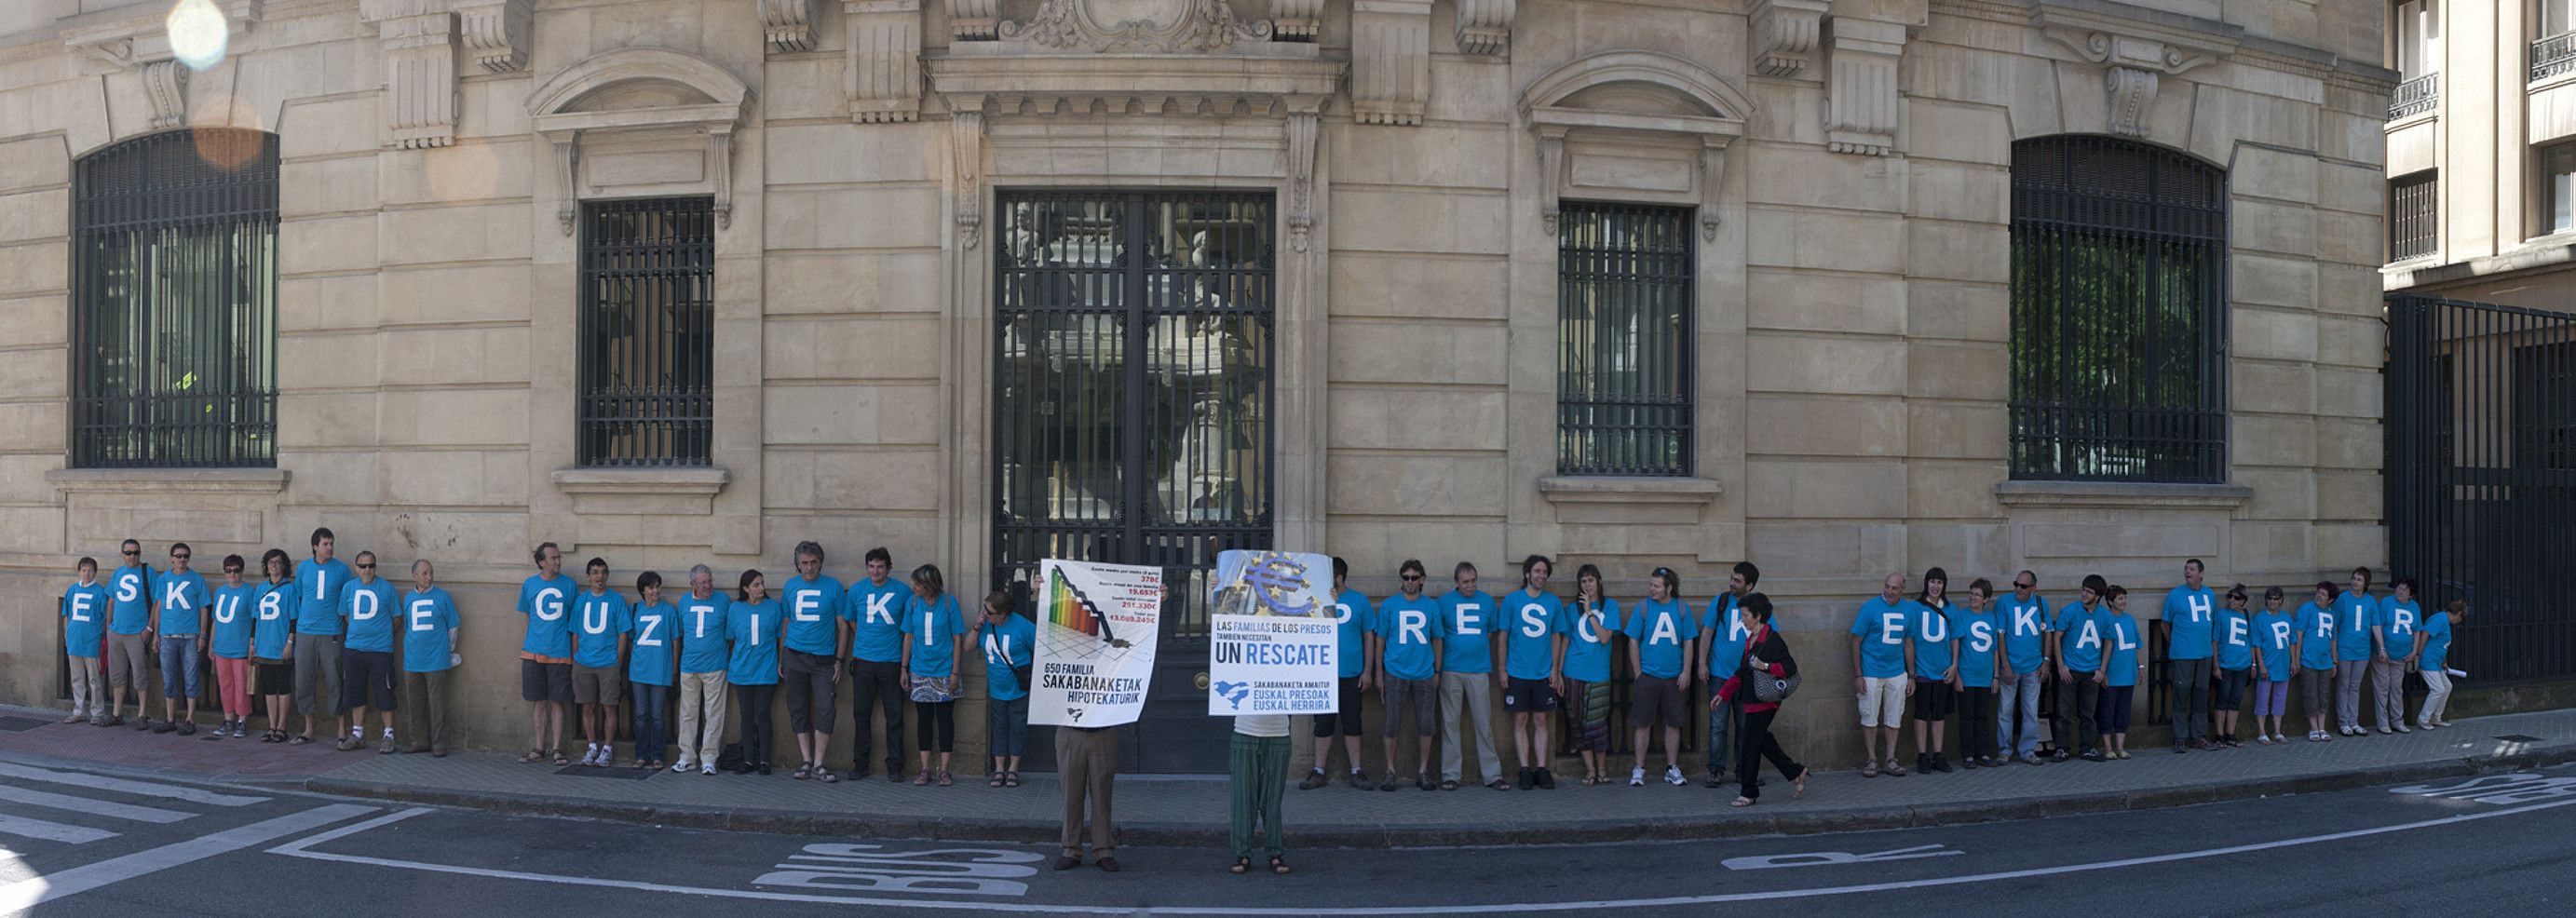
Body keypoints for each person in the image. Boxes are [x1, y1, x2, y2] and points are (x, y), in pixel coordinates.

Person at [1713, 592, 1809, 807]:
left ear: (1757, 616)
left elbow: (1789, 668)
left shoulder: (1772, 640)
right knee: (1761, 740)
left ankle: (1748, 793)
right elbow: (1742, 672)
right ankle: (1795, 771)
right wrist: (1722, 694)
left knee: (1749, 746)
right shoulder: (1751, 640)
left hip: (1766, 700)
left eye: (1745, 616)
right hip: (1751, 699)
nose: (1743, 620)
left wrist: (1765, 666)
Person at [1299, 557, 1373, 790]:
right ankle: (1319, 770)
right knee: (1322, 724)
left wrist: (1367, 671)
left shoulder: (1360, 601)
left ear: (1339, 578)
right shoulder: (1315, 601)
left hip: (1352, 675)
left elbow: (1369, 637)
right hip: (1322, 675)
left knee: (1353, 723)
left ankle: (1356, 771)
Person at [1433, 561, 1506, 791]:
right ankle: (1451, 774)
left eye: (1474, 580)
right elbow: (1438, 636)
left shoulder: (1486, 601)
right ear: (1456, 582)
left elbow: (1491, 632)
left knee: (1484, 723)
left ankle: (1492, 775)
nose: (1470, 585)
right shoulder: (1444, 602)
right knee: (1450, 724)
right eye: (1465, 582)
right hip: (1451, 670)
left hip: (1478, 670)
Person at [779, 541, 847, 782]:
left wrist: (839, 659)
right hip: (794, 656)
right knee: (797, 708)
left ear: (820, 563)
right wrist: (781, 657)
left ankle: (820, 762)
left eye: (813, 562)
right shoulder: (790, 587)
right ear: (797, 565)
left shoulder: (834, 587)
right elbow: (785, 623)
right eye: (804, 563)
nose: (809, 568)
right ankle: (806, 760)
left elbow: (842, 626)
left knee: (826, 708)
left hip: (823, 660)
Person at [1374, 559, 1443, 791]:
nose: (1410, 582)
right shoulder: (1390, 605)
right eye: (1405, 577)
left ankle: (1423, 771)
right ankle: (1390, 771)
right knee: (1391, 723)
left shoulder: (1431, 606)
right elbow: (1380, 640)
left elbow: (1438, 640)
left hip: (1424, 672)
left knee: (1426, 724)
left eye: (1414, 577)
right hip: (1395, 672)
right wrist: (1379, 672)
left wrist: (1437, 671)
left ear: (1422, 579)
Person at [846, 547, 913, 782]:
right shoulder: (856, 590)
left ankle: (895, 766)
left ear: (889, 568)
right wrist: (866, 637)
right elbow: (851, 620)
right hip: (863, 661)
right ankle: (860, 764)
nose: (875, 571)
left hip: (892, 661)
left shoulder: (903, 591)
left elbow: (909, 628)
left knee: (894, 717)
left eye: (880, 566)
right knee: (861, 715)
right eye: (871, 566)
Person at [1499, 555, 1566, 790]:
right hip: (1517, 670)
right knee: (1520, 719)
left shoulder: (1553, 602)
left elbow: (1557, 636)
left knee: (1541, 719)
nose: (1541, 576)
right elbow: (1503, 636)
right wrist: (1502, 669)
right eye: (1537, 571)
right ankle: (1524, 769)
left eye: (1545, 572)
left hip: (1542, 672)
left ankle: (1542, 768)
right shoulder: (1512, 601)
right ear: (1527, 573)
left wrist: (1555, 669)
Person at [1623, 567, 1696, 787]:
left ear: (1669, 588)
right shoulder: (1644, 607)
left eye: (1656, 586)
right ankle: (1639, 768)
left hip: (1674, 677)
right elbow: (1633, 640)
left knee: (1673, 724)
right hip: (1648, 675)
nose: (1651, 589)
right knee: (1642, 723)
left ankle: (1672, 768)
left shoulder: (1682, 608)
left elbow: (1689, 641)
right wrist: (1638, 672)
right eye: (1651, 585)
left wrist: (1686, 671)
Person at [901, 563, 965, 786]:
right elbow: (908, 636)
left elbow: (958, 638)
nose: (914, 587)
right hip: (920, 669)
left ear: (929, 585)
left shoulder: (949, 603)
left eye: (918, 584)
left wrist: (955, 672)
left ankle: (945, 770)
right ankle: (925, 768)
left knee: (945, 719)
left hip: (945, 669)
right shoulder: (913, 602)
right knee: (924, 720)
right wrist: (904, 668)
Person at [516, 542, 577, 765]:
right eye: (553, 558)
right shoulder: (529, 585)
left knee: (557, 702)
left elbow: (573, 620)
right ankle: (539, 746)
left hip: (560, 652)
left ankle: (557, 748)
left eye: (559, 557)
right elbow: (528, 616)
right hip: (532, 653)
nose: (558, 562)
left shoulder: (569, 586)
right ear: (541, 562)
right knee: (538, 701)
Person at [1849, 572, 1915, 776]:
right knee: (1869, 716)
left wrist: (1911, 675)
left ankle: (1890, 759)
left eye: (1895, 588)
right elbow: (1856, 641)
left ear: (1902, 589)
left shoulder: (1908, 609)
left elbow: (1909, 643)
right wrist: (1858, 674)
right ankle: (1871, 759)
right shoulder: (1870, 607)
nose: (1889, 591)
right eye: (1887, 586)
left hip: (1897, 672)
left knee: (1894, 717)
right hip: (1871, 671)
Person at [1699, 561, 1756, 789]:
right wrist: (1702, 663)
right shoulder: (1721, 601)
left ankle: (1743, 771)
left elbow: (1769, 638)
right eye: (1732, 578)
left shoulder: (1758, 606)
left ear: (1749, 586)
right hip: (1720, 675)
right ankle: (1715, 769)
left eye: (1738, 581)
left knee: (1745, 727)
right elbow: (1707, 633)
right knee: (1718, 725)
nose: (1732, 583)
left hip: (1747, 678)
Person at [292, 528, 352, 746]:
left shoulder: (342, 570)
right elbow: (299, 595)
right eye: (325, 544)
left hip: (332, 633)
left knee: (335, 679)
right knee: (303, 680)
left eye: (331, 543)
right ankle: (308, 728)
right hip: (305, 632)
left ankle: (341, 729)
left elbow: (347, 600)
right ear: (315, 546)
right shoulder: (303, 568)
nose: (330, 548)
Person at [571, 557, 632, 766]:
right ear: (588, 576)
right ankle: (591, 747)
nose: (600, 576)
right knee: (587, 706)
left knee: (609, 706)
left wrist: (618, 660)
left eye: (603, 572)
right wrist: (576, 658)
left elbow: (623, 633)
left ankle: (607, 749)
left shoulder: (616, 600)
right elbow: (575, 632)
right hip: (584, 662)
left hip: (608, 663)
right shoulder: (581, 601)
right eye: (595, 572)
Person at [337, 550, 400, 753]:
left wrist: (381, 635)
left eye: (371, 566)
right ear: (356, 568)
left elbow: (397, 617)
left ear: (375, 568)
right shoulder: (348, 588)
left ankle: (389, 735)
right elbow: (346, 615)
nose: (367, 570)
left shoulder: (386, 588)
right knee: (356, 693)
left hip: (380, 651)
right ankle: (357, 734)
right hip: (354, 649)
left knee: (385, 693)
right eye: (362, 566)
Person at [673, 564, 733, 775]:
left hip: (715, 666)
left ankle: (709, 758)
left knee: (714, 714)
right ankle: (687, 757)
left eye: (709, 581)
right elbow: (680, 634)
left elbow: (730, 631)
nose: (708, 586)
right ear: (693, 584)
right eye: (703, 582)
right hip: (689, 666)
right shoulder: (684, 602)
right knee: (688, 713)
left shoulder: (723, 600)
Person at [399, 560, 460, 756]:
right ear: (414, 576)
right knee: (415, 703)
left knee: (437, 703)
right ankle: (418, 740)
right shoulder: (408, 598)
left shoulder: (442, 597)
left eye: (431, 573)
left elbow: (453, 626)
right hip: (412, 660)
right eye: (424, 573)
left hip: (436, 659)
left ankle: (439, 743)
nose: (429, 577)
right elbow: (408, 627)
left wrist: (448, 650)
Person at [1226, 704, 1295, 875]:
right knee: (1243, 797)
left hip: (1279, 733)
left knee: (1272, 800)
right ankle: (1243, 854)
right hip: (1244, 731)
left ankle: (1275, 853)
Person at [728, 569, 783, 776]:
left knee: (763, 714)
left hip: (766, 669)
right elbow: (731, 639)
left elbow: (780, 637)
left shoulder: (773, 608)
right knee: (746, 715)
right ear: (746, 589)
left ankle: (764, 761)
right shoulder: (735, 609)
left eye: (762, 583)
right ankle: (749, 759)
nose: (761, 588)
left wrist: (780, 662)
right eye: (756, 585)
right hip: (742, 670)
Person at [977, 589, 1034, 788]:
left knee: (1017, 728)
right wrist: (977, 627)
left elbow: (1041, 648)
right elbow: (967, 647)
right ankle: (999, 769)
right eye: (985, 608)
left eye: (989, 611)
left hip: (1018, 688)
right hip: (997, 688)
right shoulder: (985, 626)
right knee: (999, 728)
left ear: (1003, 614)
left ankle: (1013, 770)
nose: (985, 613)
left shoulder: (1022, 626)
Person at [2159, 559, 2217, 752]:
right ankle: (2180, 737)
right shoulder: (2175, 595)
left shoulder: (2209, 594)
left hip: (2204, 654)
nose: (2188, 571)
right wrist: (2175, 643)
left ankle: (2198, 735)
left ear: (2201, 573)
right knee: (2181, 695)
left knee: (2201, 695)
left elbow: (2212, 622)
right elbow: (2165, 624)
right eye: (2186, 569)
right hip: (2183, 654)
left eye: (2192, 569)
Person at [1567, 564, 1618, 786]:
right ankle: (1589, 770)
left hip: (1598, 674)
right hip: (1573, 671)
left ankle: (1602, 769)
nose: (1587, 585)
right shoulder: (1570, 609)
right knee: (1577, 722)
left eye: (1591, 580)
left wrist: (1589, 612)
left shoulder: (1610, 606)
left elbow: (1605, 638)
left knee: (1596, 724)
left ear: (1599, 582)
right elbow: (1565, 640)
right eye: (1583, 581)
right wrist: (1558, 672)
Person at [153, 542, 209, 735]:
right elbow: (158, 607)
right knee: (169, 678)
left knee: (191, 677)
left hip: (190, 637)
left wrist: (202, 635)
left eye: (185, 556)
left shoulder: (197, 579)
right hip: (167, 636)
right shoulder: (163, 579)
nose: (182, 560)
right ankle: (170, 718)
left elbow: (203, 609)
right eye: (178, 556)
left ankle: (190, 719)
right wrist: (155, 635)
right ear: (171, 558)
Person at [1995, 571, 2050, 765]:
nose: (2018, 588)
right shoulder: (2003, 602)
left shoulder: (2042, 604)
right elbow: (2000, 636)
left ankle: (2028, 750)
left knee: (2030, 712)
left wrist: (2046, 661)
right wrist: (2006, 665)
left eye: (2023, 586)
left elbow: (2048, 634)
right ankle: (2004, 750)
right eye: (2016, 584)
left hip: (2033, 667)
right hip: (2011, 667)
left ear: (2033, 588)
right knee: (2005, 711)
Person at [2052, 574, 2108, 762]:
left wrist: (2102, 669)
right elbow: (2057, 637)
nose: (2084, 594)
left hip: (2091, 671)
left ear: (2098, 596)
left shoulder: (2104, 615)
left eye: (2089, 591)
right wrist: (2061, 665)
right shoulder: (2069, 611)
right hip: (2070, 670)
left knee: (2088, 714)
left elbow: (2109, 642)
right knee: (2064, 712)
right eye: (2083, 589)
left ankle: (2087, 747)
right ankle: (2061, 748)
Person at [1908, 567, 1957, 774]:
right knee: (1921, 713)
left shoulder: (1950, 608)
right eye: (1932, 581)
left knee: (1938, 714)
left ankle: (1938, 754)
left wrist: (1954, 665)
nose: (1935, 586)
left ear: (1944, 586)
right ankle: (1922, 755)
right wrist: (1911, 671)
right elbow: (1908, 640)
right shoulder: (1915, 608)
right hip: (1922, 670)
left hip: (1944, 670)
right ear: (1926, 583)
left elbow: (1955, 638)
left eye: (1940, 582)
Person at [628, 571, 677, 770]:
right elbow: (631, 639)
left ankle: (657, 755)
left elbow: (675, 641)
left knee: (657, 715)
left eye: (657, 586)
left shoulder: (668, 610)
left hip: (660, 670)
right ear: (643, 590)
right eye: (651, 587)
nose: (655, 591)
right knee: (641, 714)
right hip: (639, 670)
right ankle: (641, 754)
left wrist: (674, 668)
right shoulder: (635, 609)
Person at [103, 538, 155, 729]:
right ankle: (117, 713)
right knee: (117, 675)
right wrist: (109, 626)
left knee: (140, 675)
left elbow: (156, 602)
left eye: (136, 552)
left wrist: (149, 628)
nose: (132, 556)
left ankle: (142, 714)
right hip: (116, 632)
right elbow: (111, 600)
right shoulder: (118, 572)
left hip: (137, 633)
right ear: (122, 554)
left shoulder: (148, 572)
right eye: (128, 553)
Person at [1951, 578, 2001, 768]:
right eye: (1971, 594)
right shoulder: (1961, 616)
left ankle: (1983, 752)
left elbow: (1995, 650)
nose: (1973, 598)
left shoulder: (1991, 618)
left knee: (1982, 716)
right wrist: (1957, 675)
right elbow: (1955, 645)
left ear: (1986, 599)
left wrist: (1996, 676)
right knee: (1966, 717)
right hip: (1966, 676)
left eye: (1978, 595)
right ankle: (1968, 755)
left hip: (1985, 677)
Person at [206, 555, 256, 737]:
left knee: (241, 685)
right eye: (228, 571)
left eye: (236, 570)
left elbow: (254, 620)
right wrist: (211, 644)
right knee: (225, 684)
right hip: (221, 647)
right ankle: (228, 719)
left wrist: (252, 644)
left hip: (240, 647)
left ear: (242, 571)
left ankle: (242, 720)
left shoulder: (249, 592)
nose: (232, 574)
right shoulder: (220, 592)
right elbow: (216, 621)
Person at [251, 549, 297, 743]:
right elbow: (255, 618)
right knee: (269, 688)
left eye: (278, 563)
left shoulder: (290, 589)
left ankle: (282, 727)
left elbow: (294, 618)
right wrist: (252, 643)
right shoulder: (260, 588)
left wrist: (289, 643)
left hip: (282, 646)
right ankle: (271, 726)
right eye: (271, 563)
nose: (274, 566)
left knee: (283, 687)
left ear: (284, 565)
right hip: (263, 646)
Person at [61, 558, 111, 725]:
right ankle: (79, 711)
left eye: (90, 570)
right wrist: (66, 635)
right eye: (83, 570)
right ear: (79, 571)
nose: (86, 574)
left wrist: (100, 636)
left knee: (94, 679)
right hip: (75, 640)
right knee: (77, 678)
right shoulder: (72, 590)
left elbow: (106, 618)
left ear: (95, 572)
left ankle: (97, 712)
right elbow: (67, 615)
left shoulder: (100, 592)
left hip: (92, 642)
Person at [2095, 586, 2143, 760]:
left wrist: (2140, 667)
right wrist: (2102, 671)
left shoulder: (2129, 619)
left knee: (2123, 712)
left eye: (2124, 598)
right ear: (2110, 602)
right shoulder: (2104, 619)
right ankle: (2108, 747)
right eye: (2119, 598)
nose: (2123, 601)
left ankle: (2120, 747)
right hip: (2111, 674)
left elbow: (2137, 644)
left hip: (2127, 674)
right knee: (2107, 712)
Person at [2372, 576, 2423, 735]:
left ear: (2411, 594)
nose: (2400, 591)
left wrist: (2414, 651)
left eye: (2405, 589)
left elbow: (2417, 630)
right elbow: (2378, 625)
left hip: (2402, 656)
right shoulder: (2387, 602)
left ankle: (2397, 721)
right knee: (2382, 688)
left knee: (2396, 689)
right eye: (2399, 588)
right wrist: (2381, 648)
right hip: (2383, 655)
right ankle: (2382, 723)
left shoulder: (2414, 606)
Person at [2294, 581, 2340, 742]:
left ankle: (2322, 727)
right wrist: (2297, 659)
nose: (2319, 596)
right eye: (2318, 592)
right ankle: (2313, 728)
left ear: (2330, 600)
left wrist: (2335, 661)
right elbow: (2298, 634)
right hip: (2309, 660)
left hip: (2326, 661)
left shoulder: (2331, 614)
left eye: (2323, 594)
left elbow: (2333, 639)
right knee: (2310, 694)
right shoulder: (2306, 609)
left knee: (2324, 694)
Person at [2331, 567, 2375, 736]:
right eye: (2354, 578)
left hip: (2362, 650)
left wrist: (2382, 647)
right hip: (2344, 648)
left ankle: (2353, 721)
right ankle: (2343, 722)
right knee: (2344, 685)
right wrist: (2334, 652)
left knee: (2355, 686)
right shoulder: (2343, 599)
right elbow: (2334, 625)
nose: (2355, 582)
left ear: (2365, 584)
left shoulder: (2370, 601)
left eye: (2359, 579)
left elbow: (2375, 625)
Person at [2212, 585, 2256, 748]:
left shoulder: (2246, 615)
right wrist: (2215, 665)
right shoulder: (2221, 614)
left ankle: (2230, 734)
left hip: (2243, 664)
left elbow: (2250, 641)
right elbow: (2214, 641)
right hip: (2225, 664)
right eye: (2230, 597)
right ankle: (2219, 735)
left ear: (2243, 601)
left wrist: (2253, 663)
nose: (2232, 600)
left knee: (2235, 699)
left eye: (2236, 598)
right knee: (2222, 699)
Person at [2251, 586, 2294, 744]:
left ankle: (2277, 731)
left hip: (2283, 665)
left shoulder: (2287, 617)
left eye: (2276, 598)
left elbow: (2292, 642)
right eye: (2269, 598)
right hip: (2267, 665)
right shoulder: (2260, 618)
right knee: (2262, 698)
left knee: (2279, 699)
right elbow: (2256, 644)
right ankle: (2261, 731)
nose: (2272, 601)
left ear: (2281, 600)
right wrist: (2260, 664)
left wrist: (2293, 661)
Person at [2416, 600, 2462, 729]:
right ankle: (2424, 719)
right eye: (2460, 619)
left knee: (2447, 687)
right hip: (2428, 660)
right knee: (2438, 689)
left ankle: (2436, 717)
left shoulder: (2443, 620)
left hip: (2435, 662)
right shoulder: (2441, 619)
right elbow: (2425, 634)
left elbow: (2441, 645)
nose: (2458, 622)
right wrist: (2419, 654)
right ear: (2458, 614)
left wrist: (2443, 662)